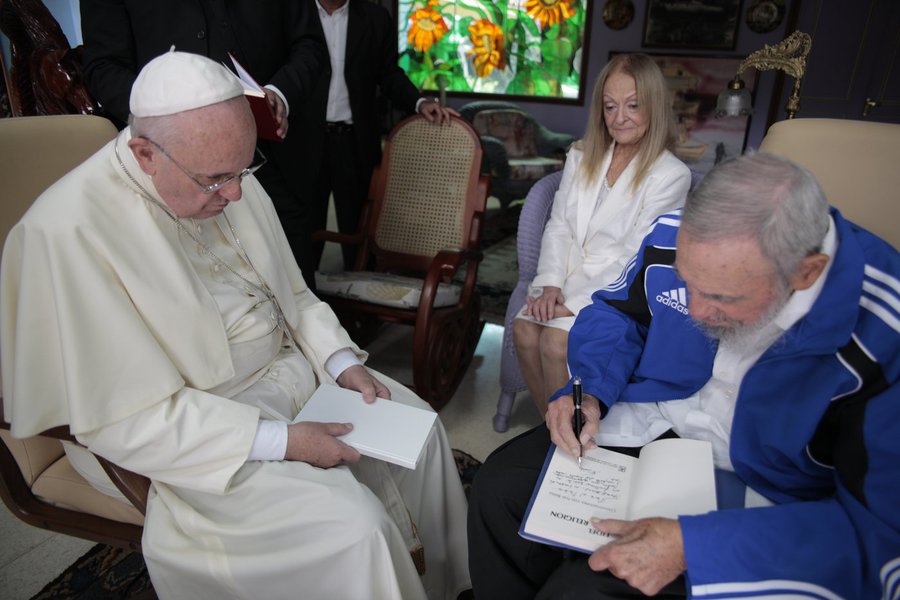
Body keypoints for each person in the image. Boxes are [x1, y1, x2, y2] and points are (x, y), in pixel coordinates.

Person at [1, 51, 470, 600]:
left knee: (421, 431)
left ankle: (447, 587)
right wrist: (284, 442)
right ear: (145, 154)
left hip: (295, 376)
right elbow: (126, 419)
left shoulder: (224, 170)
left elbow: (292, 294)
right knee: (353, 531)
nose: (237, 196)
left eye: (246, 170)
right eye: (218, 180)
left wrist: (342, 365)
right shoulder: (67, 234)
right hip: (191, 432)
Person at [468, 152, 900, 599]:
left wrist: (695, 547)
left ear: (805, 273)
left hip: (767, 484)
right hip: (654, 417)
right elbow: (618, 314)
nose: (693, 311)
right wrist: (590, 390)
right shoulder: (673, 232)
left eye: (719, 297)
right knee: (497, 491)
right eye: (686, 282)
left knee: (583, 589)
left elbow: (882, 538)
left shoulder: (885, 334)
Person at [79, 0, 327, 289]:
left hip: (274, 158)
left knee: (294, 280)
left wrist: (280, 93)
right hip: (174, 166)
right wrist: (169, 119)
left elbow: (310, 44)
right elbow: (103, 66)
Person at [513, 53, 691, 417]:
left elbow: (636, 255)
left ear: (654, 107)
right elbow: (559, 224)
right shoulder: (582, 154)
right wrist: (548, 285)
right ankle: (551, 427)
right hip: (562, 277)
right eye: (610, 106)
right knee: (523, 330)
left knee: (554, 340)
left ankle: (567, 433)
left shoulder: (671, 175)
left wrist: (574, 303)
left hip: (616, 293)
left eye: (632, 105)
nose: (619, 117)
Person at [299, 0, 456, 275]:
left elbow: (389, 74)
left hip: (354, 142)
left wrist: (419, 103)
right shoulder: (294, 12)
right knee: (303, 230)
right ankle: (302, 305)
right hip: (306, 142)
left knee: (360, 227)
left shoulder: (374, 18)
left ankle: (358, 306)